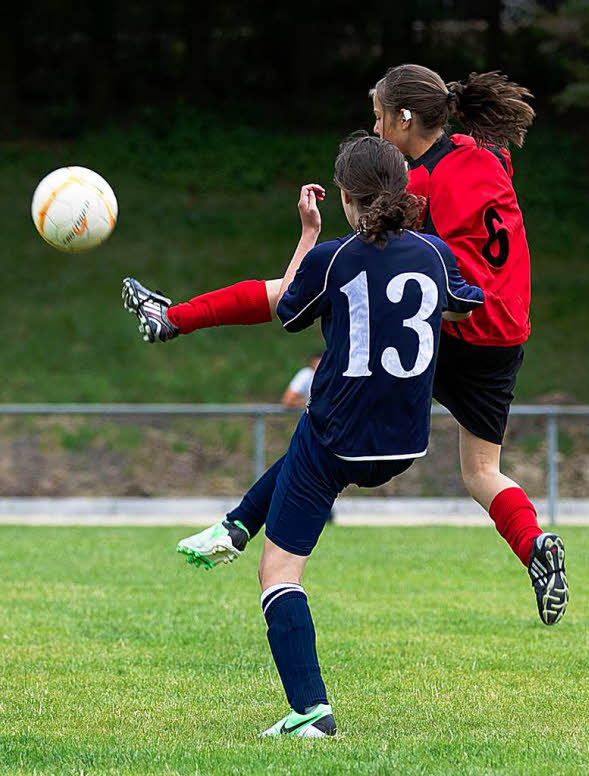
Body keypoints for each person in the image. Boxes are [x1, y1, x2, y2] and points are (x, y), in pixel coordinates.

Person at [123, 64, 568, 627]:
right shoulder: (490, 152)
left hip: (450, 322)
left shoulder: (419, 187)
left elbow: (393, 256)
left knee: (320, 389)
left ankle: (175, 320)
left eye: (380, 117)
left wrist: (325, 239)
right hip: (504, 335)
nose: (376, 128)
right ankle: (533, 544)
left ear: (406, 119)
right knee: (482, 473)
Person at [197, 133, 484, 735]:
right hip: (405, 441)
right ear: (404, 190)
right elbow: (464, 307)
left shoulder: (333, 256)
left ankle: (310, 712)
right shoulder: (434, 254)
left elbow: (289, 312)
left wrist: (306, 236)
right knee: (305, 442)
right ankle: (234, 526)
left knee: (279, 574)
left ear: (348, 201)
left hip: (338, 440)